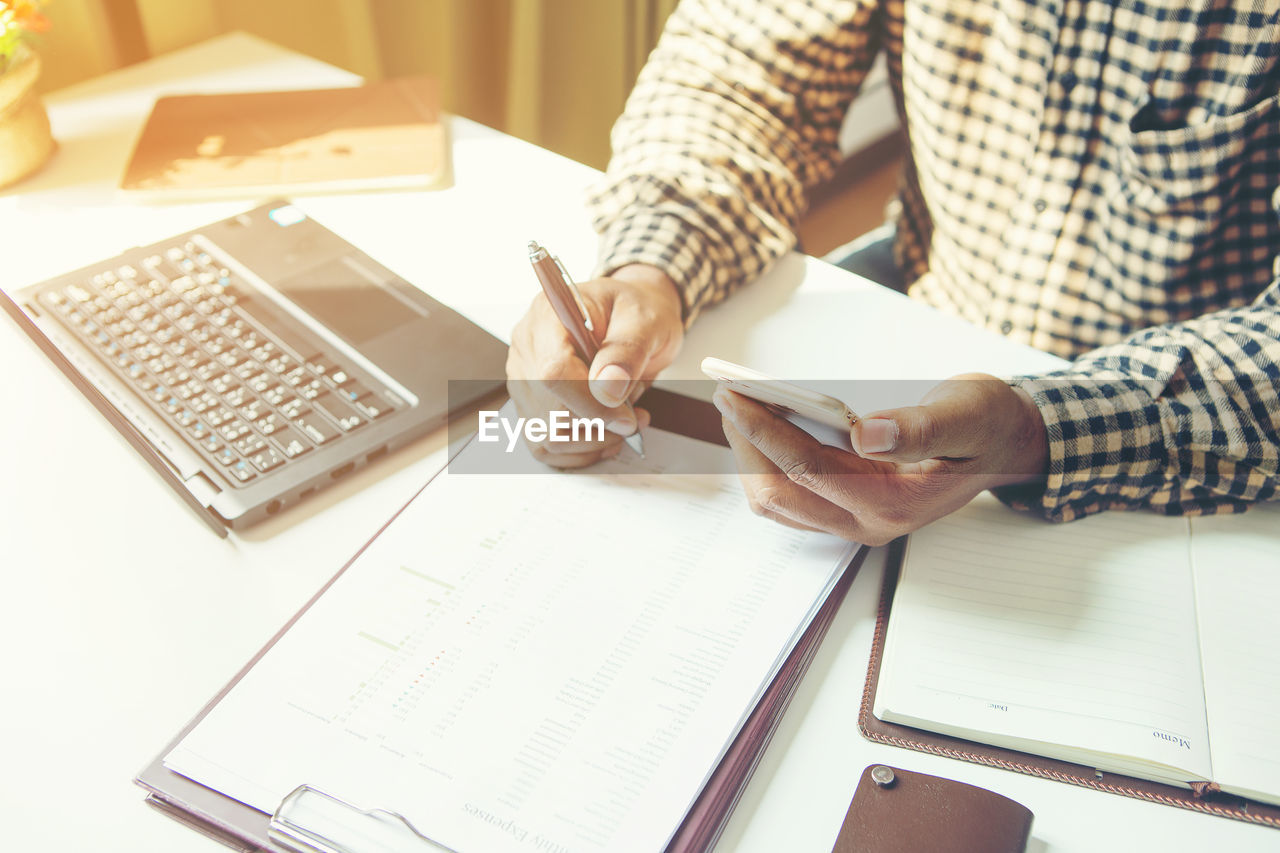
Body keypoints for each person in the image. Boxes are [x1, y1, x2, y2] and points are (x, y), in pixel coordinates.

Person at [506, 0, 1280, 545]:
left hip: (1198, 428)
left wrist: (1039, 427)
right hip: (923, 295)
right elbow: (742, 72)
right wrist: (651, 268)